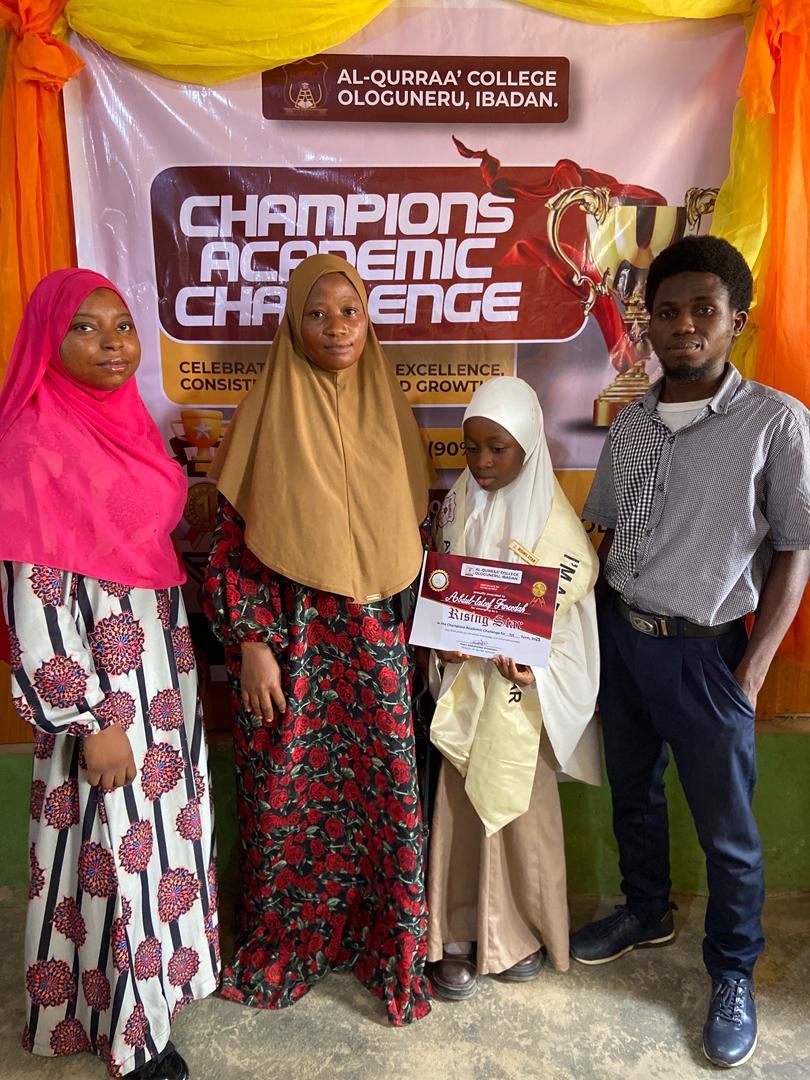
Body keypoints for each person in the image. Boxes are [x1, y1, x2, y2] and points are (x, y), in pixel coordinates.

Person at [572, 236, 810, 1068]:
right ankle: (646, 911)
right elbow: (604, 535)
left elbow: (796, 551)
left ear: (735, 319)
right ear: (647, 324)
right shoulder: (632, 422)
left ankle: (734, 969)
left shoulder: (776, 422)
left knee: (727, 832)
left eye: (703, 310)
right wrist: (586, 636)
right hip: (624, 639)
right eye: (666, 312)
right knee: (632, 794)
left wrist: (754, 670)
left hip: (711, 658)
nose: (684, 326)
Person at [202, 254, 433, 1025]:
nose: (336, 327)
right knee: (287, 799)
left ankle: (383, 944)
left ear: (368, 321)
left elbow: (412, 537)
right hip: (290, 649)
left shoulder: (391, 411)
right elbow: (229, 544)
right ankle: (290, 941)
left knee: (384, 796)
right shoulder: (264, 414)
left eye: (350, 311)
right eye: (317, 312)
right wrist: (251, 643)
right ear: (292, 324)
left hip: (374, 647)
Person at [0, 270, 219, 1080]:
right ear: (46, 342)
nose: (112, 344)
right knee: (116, 855)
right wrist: (92, 719)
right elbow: (35, 604)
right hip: (103, 699)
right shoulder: (31, 444)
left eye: (121, 325)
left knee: (153, 851)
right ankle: (133, 1041)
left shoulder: (126, 426)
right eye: (85, 328)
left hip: (159, 682)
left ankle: (154, 996)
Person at [427, 377, 602, 1000]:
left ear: (528, 446)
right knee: (459, 812)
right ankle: (454, 935)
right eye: (470, 447)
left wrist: (538, 670)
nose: (481, 462)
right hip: (465, 696)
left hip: (519, 704)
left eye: (498, 449)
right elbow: (441, 595)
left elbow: (571, 630)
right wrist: (441, 647)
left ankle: (520, 933)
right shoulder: (455, 507)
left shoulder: (558, 532)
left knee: (521, 820)